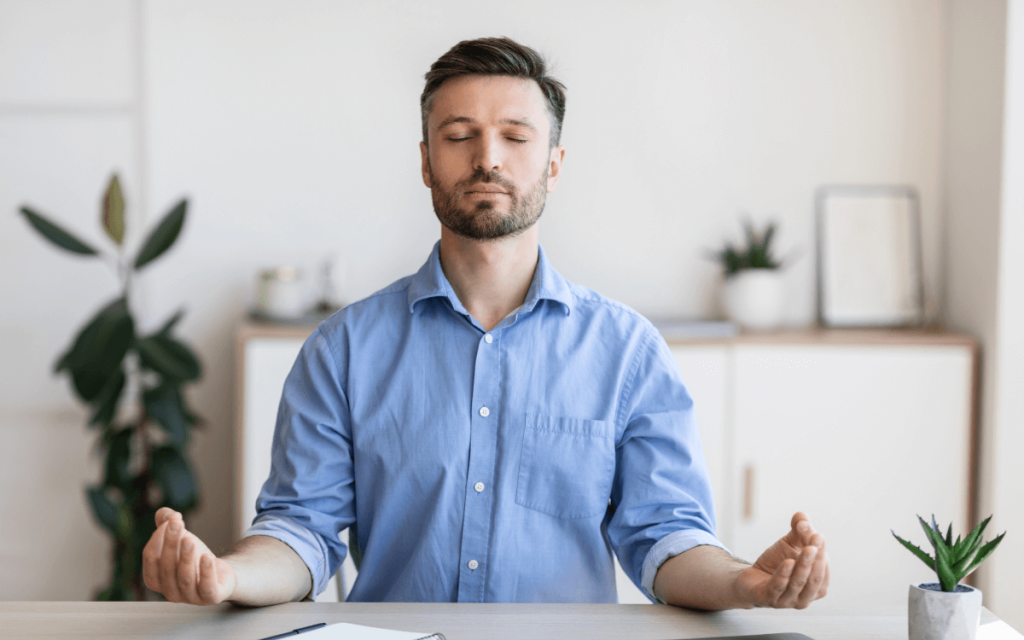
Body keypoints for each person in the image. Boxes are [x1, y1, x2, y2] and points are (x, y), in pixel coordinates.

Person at [142, 37, 829, 609]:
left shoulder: (628, 352)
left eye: (515, 137)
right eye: (459, 135)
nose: (488, 158)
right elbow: (300, 532)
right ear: (425, 161)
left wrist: (744, 583)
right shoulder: (342, 349)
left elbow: (665, 539)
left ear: (554, 164)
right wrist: (228, 576)